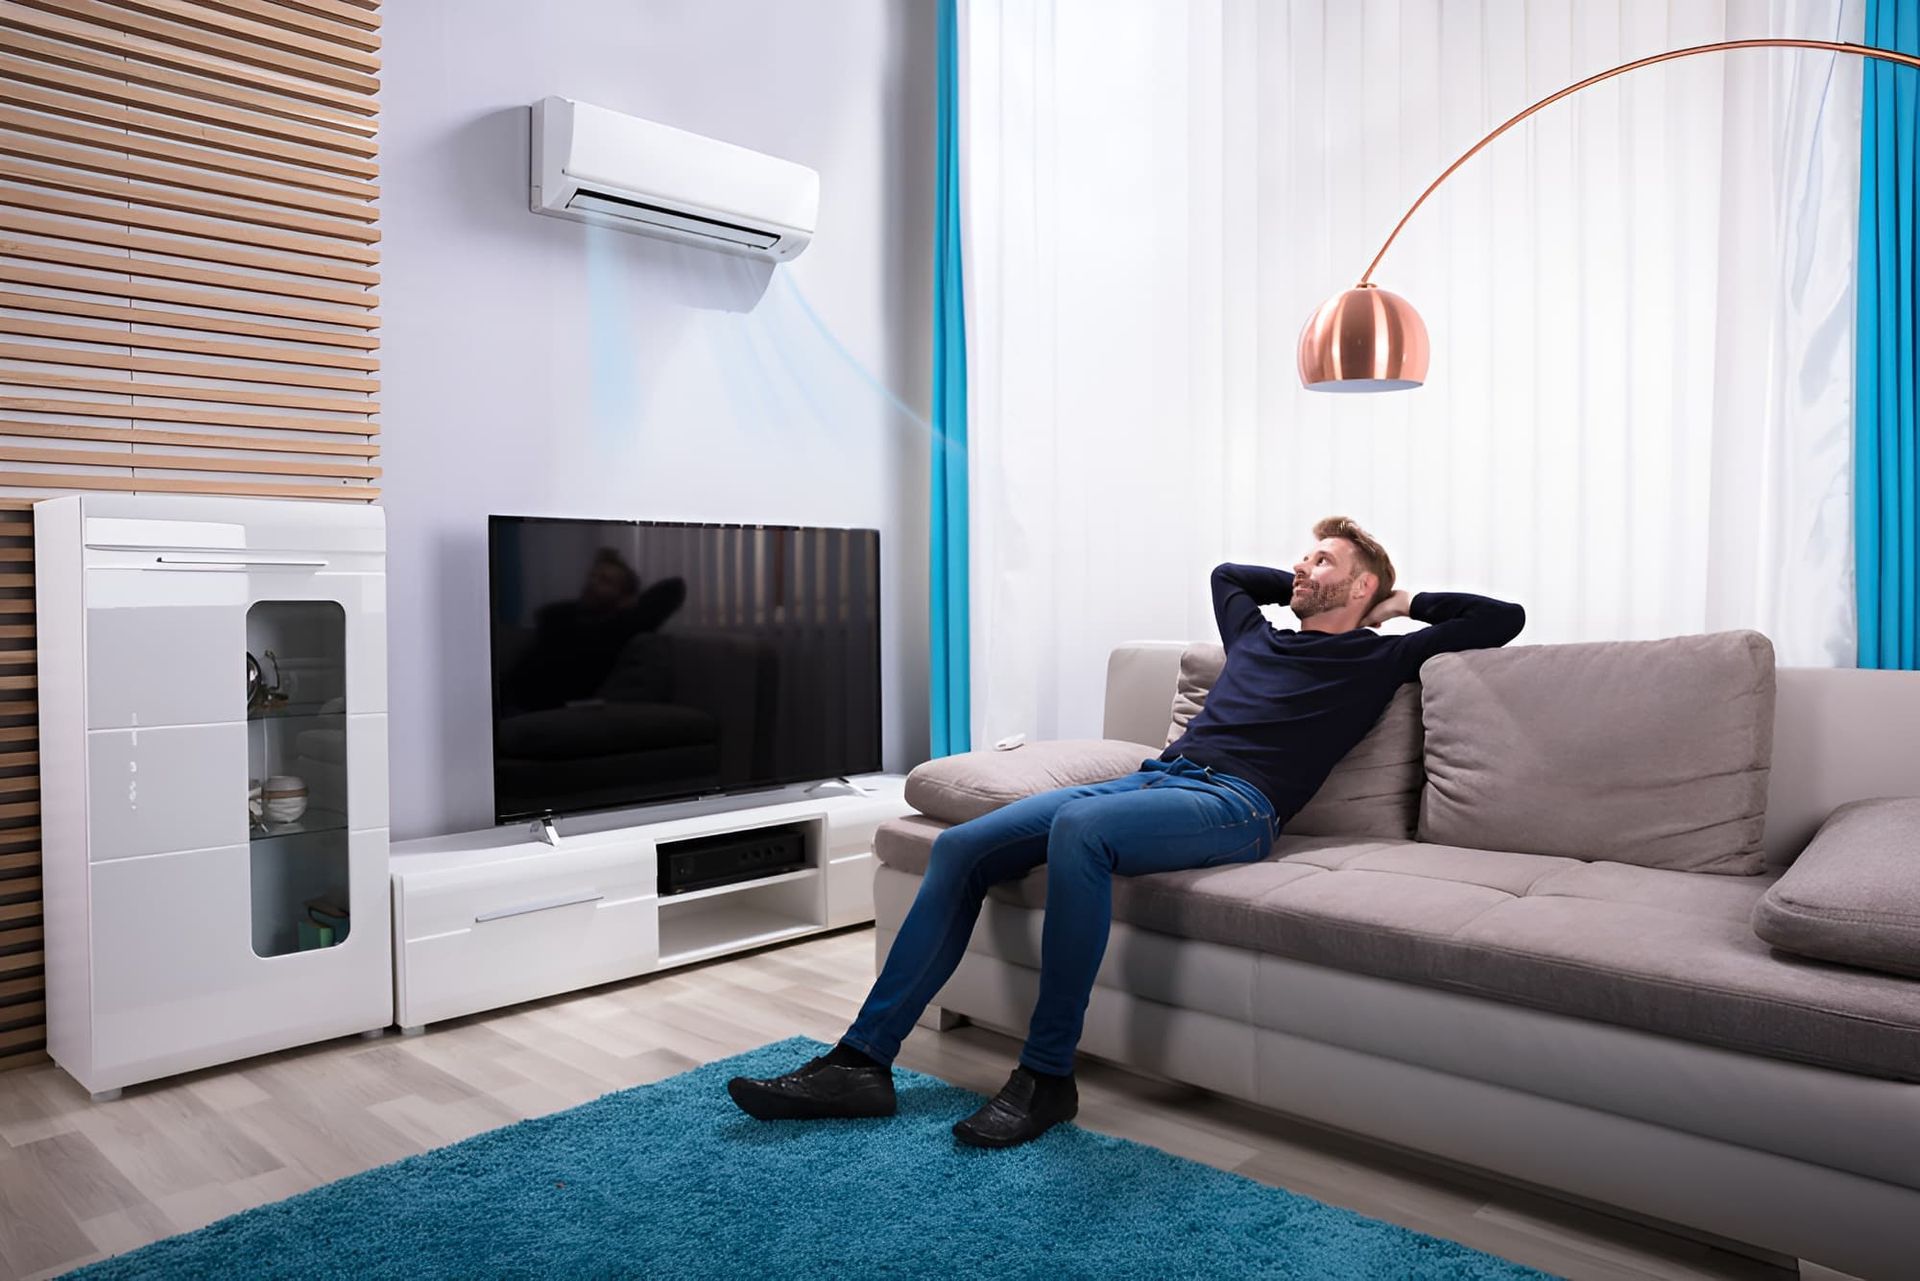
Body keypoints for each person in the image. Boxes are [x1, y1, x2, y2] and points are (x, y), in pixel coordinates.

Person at [727, 516, 1525, 1148]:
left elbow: (1501, 618)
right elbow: (1227, 575)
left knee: (1080, 826)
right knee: (964, 845)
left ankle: (1046, 1078)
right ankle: (862, 1063)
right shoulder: (1258, 636)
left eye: (1322, 560)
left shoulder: (1378, 659)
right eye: (1302, 558)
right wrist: (1301, 581)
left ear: (1364, 581)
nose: (1301, 568)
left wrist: (1394, 603)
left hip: (1239, 806)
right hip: (1160, 782)